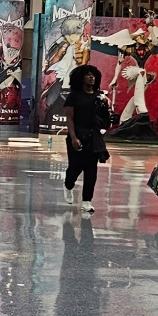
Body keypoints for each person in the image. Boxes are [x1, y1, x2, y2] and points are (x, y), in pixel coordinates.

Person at [64, 65, 110, 212]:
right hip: (77, 135)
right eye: (88, 75)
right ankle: (68, 185)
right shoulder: (74, 96)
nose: (92, 77)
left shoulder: (99, 96)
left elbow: (105, 118)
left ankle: (86, 201)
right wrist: (73, 137)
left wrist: (105, 106)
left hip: (93, 137)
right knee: (75, 167)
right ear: (81, 78)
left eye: (93, 75)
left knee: (91, 170)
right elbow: (70, 118)